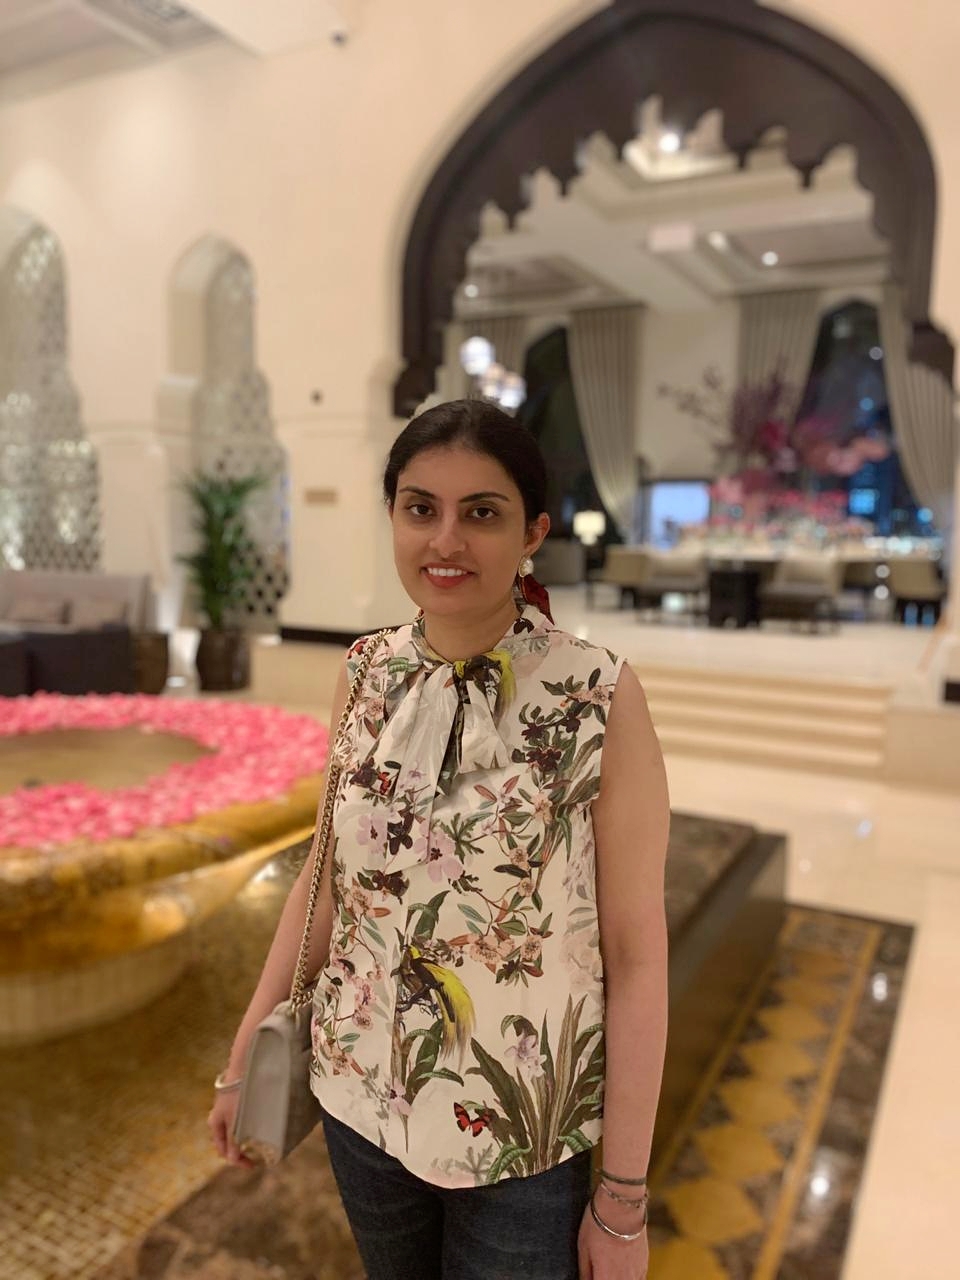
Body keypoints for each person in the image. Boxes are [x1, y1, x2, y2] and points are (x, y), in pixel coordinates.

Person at [209, 399, 670, 1280]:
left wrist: (621, 1199)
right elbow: (325, 880)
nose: (445, 540)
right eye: (421, 508)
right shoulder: (365, 670)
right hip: (358, 1107)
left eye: (481, 513)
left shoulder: (595, 695)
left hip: (522, 1142)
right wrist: (241, 1060)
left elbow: (637, 955)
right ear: (392, 516)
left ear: (532, 533)